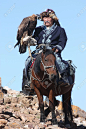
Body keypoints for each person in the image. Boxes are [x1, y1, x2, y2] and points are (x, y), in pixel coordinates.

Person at [25, 9, 74, 88]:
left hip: (52, 51)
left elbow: (62, 41)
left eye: (48, 18)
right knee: (27, 61)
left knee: (58, 61)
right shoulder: (38, 29)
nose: (46, 20)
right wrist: (29, 40)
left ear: (53, 19)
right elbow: (35, 40)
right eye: (44, 18)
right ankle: (28, 82)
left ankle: (64, 80)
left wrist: (57, 49)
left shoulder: (60, 30)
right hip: (40, 51)